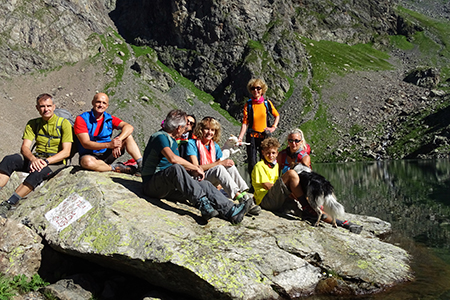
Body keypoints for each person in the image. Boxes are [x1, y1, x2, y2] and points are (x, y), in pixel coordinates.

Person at [141, 109, 253, 224]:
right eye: (184, 127)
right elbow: (173, 160)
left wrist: (193, 172)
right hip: (152, 185)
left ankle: (231, 211)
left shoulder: (173, 141)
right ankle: (203, 204)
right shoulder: (160, 137)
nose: (185, 130)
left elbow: (178, 167)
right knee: (176, 167)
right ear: (178, 128)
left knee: (205, 184)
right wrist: (196, 167)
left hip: (168, 187)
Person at [252, 137, 363, 233]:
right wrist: (289, 191)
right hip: (266, 200)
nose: (270, 155)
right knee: (291, 174)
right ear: (262, 153)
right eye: (267, 153)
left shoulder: (274, 166)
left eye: (273, 153)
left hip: (276, 199)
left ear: (277, 153)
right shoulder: (259, 166)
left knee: (309, 212)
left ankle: (343, 223)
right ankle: (306, 207)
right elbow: (267, 185)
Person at [0, 94, 73, 209]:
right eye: (42, 106)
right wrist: (34, 159)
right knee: (10, 160)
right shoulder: (33, 123)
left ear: (54, 107)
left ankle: (9, 204)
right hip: (37, 158)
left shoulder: (64, 124)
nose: (46, 109)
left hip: (56, 161)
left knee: (37, 173)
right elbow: (25, 147)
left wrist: (46, 162)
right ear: (37, 108)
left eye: (49, 106)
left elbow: (66, 152)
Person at [186, 117, 261, 214]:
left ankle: (245, 196)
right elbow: (196, 168)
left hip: (211, 179)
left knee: (229, 165)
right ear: (201, 129)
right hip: (198, 179)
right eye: (207, 129)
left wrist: (221, 183)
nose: (210, 132)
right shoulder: (192, 144)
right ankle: (240, 199)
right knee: (219, 168)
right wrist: (219, 163)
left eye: (212, 130)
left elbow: (220, 166)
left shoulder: (215, 146)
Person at [74, 93, 143, 174]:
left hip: (107, 152)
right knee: (88, 163)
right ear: (93, 103)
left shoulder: (109, 119)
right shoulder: (82, 119)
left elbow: (129, 127)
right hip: (89, 154)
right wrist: (109, 145)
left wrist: (118, 140)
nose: (101, 105)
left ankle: (141, 165)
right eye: (98, 102)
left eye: (104, 103)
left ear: (107, 106)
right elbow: (86, 143)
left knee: (127, 136)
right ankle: (115, 168)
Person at [238, 78, 280, 175]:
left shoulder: (267, 103)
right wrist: (240, 138)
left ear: (263, 90)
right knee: (252, 162)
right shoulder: (248, 104)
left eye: (258, 88)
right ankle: (254, 185)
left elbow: (276, 115)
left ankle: (266, 182)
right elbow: (245, 123)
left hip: (264, 137)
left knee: (265, 160)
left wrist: (273, 127)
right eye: (253, 88)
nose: (255, 90)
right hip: (251, 136)